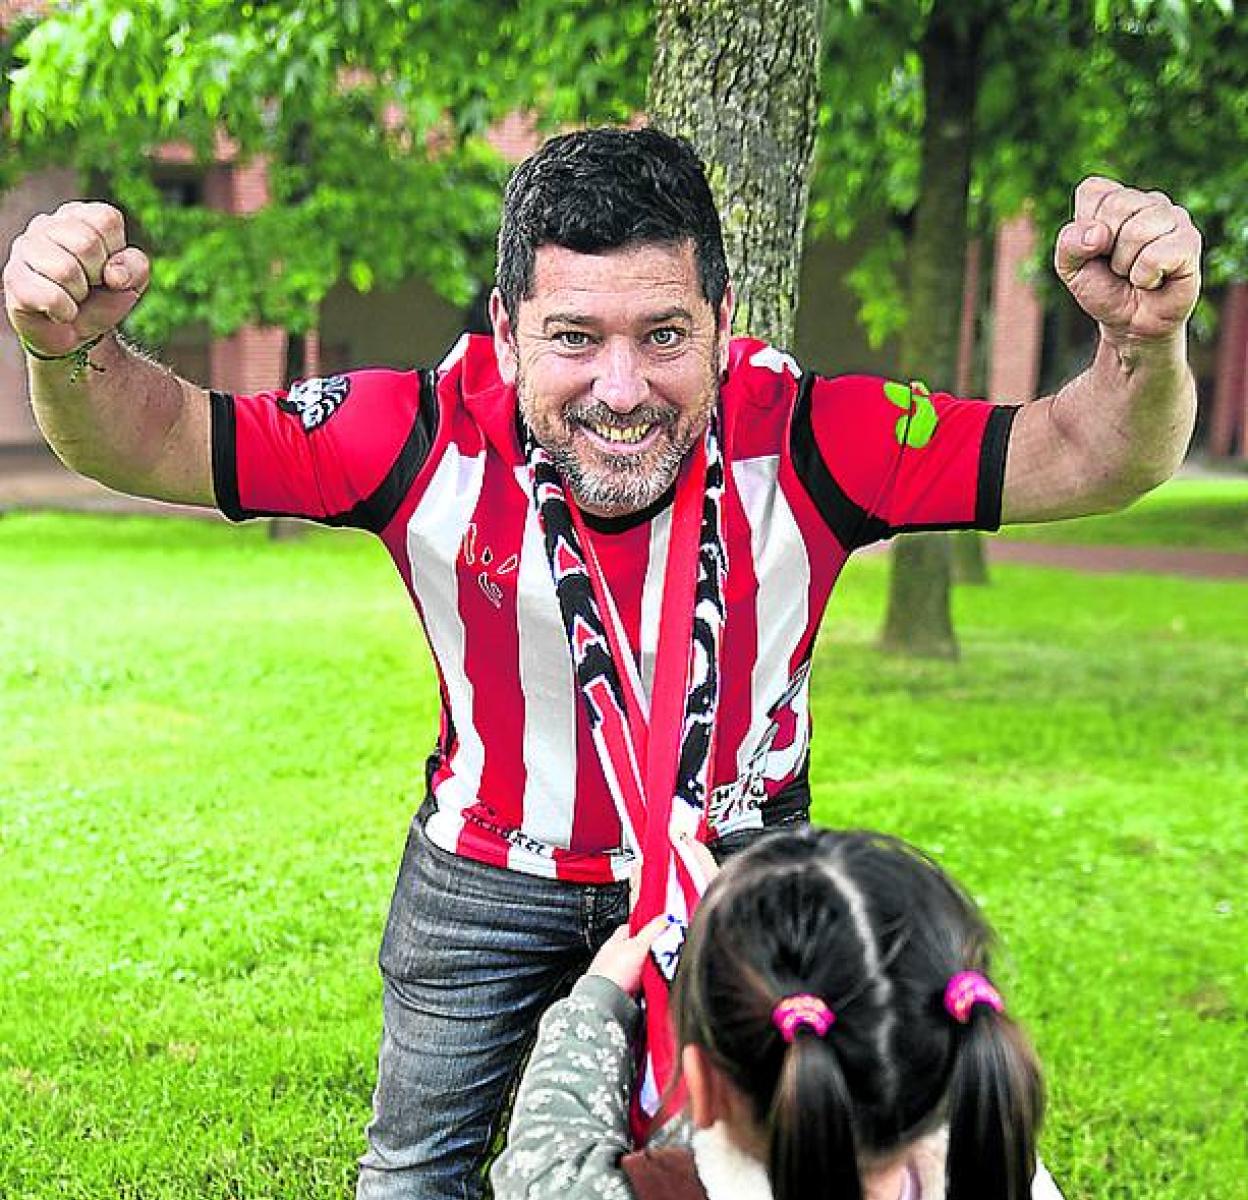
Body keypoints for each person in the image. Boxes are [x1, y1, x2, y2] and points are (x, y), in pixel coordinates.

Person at [1, 126, 1200, 1200]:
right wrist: (71, 355)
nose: (620, 390)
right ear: (508, 328)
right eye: (573, 337)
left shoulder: (822, 433)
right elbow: (159, 437)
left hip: (732, 859)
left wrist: (1143, 344)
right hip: (485, 869)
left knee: (753, 1170)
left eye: (663, 335)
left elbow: (1086, 455)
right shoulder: (415, 429)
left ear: (722, 325)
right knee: (414, 1172)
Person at [493, 826, 1062, 1200]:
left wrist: (597, 1002)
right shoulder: (997, 1167)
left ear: (704, 1088)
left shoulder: (662, 1192)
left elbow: (543, 1165)